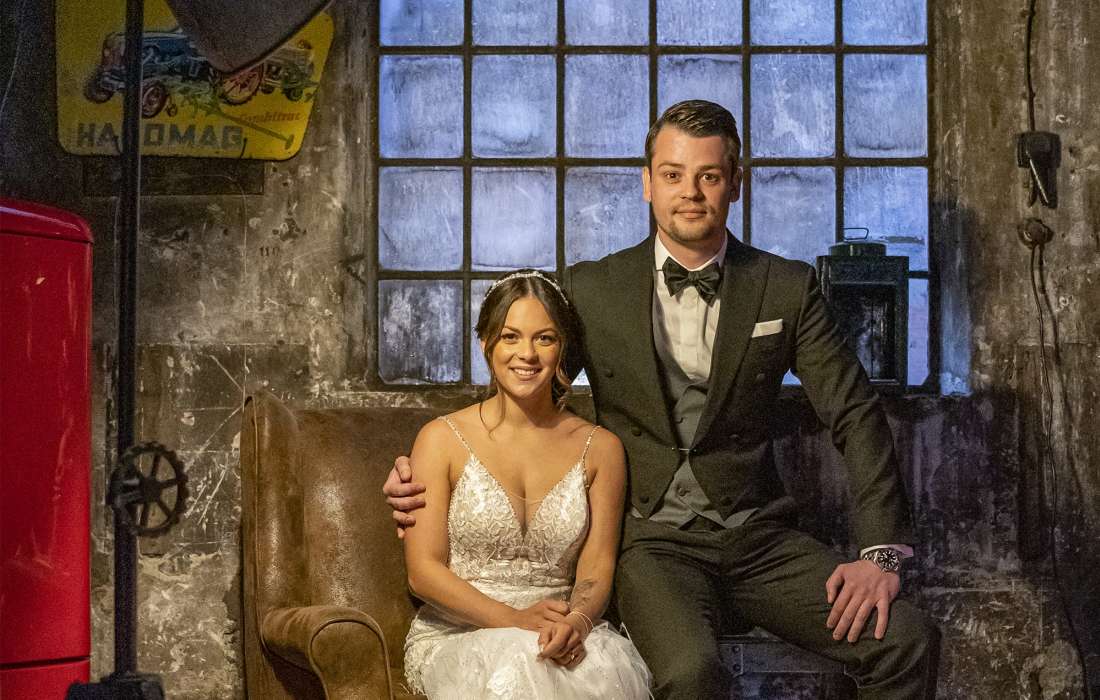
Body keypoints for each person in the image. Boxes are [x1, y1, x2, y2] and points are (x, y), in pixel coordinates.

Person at [388, 100, 939, 699]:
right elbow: (524, 387)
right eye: (673, 174)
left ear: (736, 183)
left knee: (906, 638)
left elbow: (854, 412)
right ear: (648, 182)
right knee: (689, 672)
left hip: (760, 539)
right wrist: (438, 470)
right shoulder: (590, 288)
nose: (690, 192)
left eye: (709, 175)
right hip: (652, 545)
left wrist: (881, 553)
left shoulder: (786, 287)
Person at [400, 269, 652, 699]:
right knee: (520, 666)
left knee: (599, 671)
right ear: (486, 343)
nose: (527, 354)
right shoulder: (441, 439)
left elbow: (596, 567)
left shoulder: (601, 449)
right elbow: (423, 573)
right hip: (461, 633)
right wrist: (514, 620)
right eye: (510, 337)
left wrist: (577, 622)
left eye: (545, 338)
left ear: (562, 348)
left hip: (560, 629)